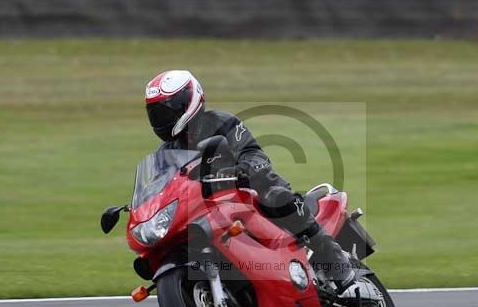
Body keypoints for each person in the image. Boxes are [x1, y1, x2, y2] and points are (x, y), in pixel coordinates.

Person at [143, 69, 355, 293]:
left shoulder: (221, 122)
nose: (160, 120)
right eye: (155, 114)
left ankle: (334, 260)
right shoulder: (165, 153)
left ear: (189, 102)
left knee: (278, 198)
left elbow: (254, 153)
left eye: (165, 112)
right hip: (206, 208)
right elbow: (162, 186)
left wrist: (244, 169)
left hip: (249, 190)